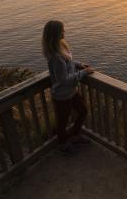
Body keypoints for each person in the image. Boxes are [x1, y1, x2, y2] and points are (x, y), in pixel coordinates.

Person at [42, 20, 94, 154]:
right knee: (62, 122)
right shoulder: (55, 57)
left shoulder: (61, 46)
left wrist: (80, 64)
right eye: (62, 30)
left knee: (83, 111)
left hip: (71, 92)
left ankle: (75, 136)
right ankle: (63, 145)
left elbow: (69, 61)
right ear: (55, 33)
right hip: (62, 96)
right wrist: (84, 72)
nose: (64, 32)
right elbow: (64, 80)